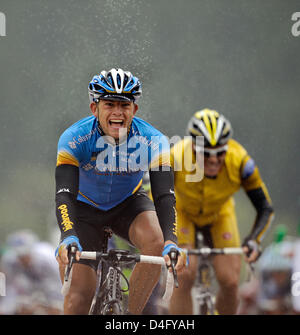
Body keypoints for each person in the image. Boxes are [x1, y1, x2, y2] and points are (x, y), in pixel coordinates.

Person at [55, 68, 186, 315]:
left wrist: (171, 240)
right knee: (77, 300)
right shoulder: (74, 138)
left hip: (129, 204)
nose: (117, 112)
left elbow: (164, 195)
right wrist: (68, 235)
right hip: (83, 210)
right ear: (95, 108)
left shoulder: (153, 140)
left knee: (156, 241)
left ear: (134, 110)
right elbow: (64, 193)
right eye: (109, 104)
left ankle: (129, 317)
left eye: (124, 105)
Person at [168, 108, 274, 315]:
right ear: (193, 148)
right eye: (206, 154)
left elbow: (265, 208)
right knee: (184, 274)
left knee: (230, 280)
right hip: (183, 212)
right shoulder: (176, 157)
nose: (215, 160)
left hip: (219, 214)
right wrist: (166, 237)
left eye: (220, 153)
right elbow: (157, 200)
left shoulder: (241, 162)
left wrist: (254, 239)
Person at [0, 230, 63, 315]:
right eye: (19, 256)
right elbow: (10, 287)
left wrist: (55, 303)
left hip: (52, 287)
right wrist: (5, 308)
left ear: (32, 250)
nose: (22, 259)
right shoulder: (10, 261)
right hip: (30, 288)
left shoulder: (48, 258)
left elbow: (58, 283)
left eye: (25, 254)